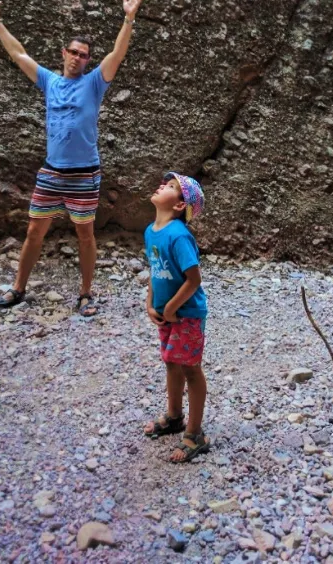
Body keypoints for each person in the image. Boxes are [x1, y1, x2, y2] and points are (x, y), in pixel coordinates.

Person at [0, 0, 144, 316]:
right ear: (63, 53)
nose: (78, 58)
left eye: (84, 55)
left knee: (85, 233)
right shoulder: (50, 81)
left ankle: (85, 294)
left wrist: (129, 18)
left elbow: (117, 55)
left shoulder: (94, 82)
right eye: (74, 52)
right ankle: (18, 289)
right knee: (34, 231)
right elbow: (19, 54)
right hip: (52, 171)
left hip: (84, 173)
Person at [142, 172, 209, 463]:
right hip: (167, 312)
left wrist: (171, 309)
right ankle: (174, 417)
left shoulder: (179, 235)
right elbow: (154, 270)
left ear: (181, 206)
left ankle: (195, 434)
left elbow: (193, 279)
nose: (162, 185)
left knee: (190, 368)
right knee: (172, 362)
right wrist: (150, 303)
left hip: (187, 314)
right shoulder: (151, 231)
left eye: (171, 187)